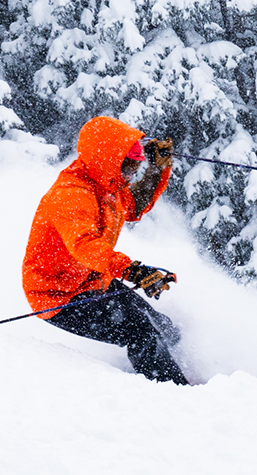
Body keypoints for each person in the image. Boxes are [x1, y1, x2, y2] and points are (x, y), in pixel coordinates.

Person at [21, 116, 188, 384]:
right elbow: (85, 245)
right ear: (109, 160)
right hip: (58, 296)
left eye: (136, 168)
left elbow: (133, 206)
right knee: (141, 333)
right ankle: (180, 395)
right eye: (129, 169)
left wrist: (156, 170)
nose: (132, 175)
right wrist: (132, 271)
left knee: (161, 325)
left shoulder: (108, 185)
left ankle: (193, 365)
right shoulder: (71, 194)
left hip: (92, 281)